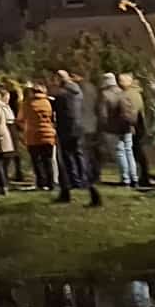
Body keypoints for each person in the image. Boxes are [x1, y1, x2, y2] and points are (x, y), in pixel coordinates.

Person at [52, 71, 100, 206]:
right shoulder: (79, 91)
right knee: (79, 155)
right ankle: (83, 180)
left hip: (66, 128)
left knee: (66, 158)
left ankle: (71, 184)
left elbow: (56, 109)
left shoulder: (61, 94)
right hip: (79, 127)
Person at [18, 81, 57, 190]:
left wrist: (25, 128)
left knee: (37, 161)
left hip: (32, 135)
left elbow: (20, 119)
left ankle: (41, 182)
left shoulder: (26, 104)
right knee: (48, 160)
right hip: (48, 134)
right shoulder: (49, 102)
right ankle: (51, 183)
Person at [103, 73, 139, 190]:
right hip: (127, 127)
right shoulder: (123, 92)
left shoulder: (106, 95)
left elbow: (103, 114)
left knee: (120, 152)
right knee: (129, 151)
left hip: (114, 128)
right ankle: (134, 178)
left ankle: (125, 179)